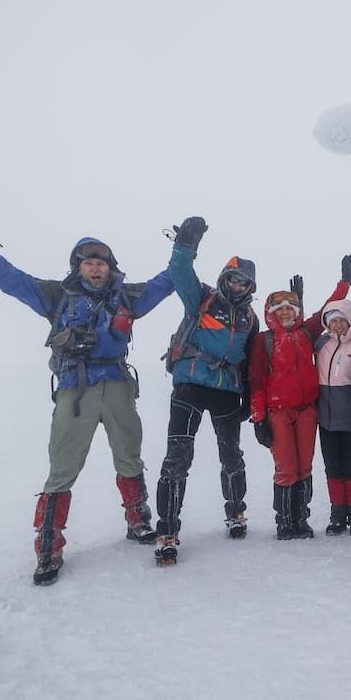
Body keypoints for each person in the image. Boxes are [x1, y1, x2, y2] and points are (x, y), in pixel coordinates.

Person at [0, 191, 174, 586]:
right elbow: (7, 278)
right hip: (75, 389)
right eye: (89, 263)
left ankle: (138, 521)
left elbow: (166, 282)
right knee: (62, 469)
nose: (95, 268)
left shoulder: (127, 296)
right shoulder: (56, 295)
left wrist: (184, 249)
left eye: (101, 263)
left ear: (110, 268)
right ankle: (48, 547)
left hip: (118, 385)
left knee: (129, 457)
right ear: (78, 267)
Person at [153, 217, 258, 566]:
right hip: (190, 385)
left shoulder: (250, 318)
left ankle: (236, 512)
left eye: (244, 282)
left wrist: (249, 397)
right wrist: (185, 245)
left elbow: (251, 361)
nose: (237, 285)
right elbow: (179, 272)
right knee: (178, 458)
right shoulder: (202, 298)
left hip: (227, 389)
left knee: (232, 455)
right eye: (233, 278)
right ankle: (167, 531)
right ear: (224, 278)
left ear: (250, 286)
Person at [248, 262, 351, 540]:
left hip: (307, 411)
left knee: (305, 466)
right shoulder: (264, 340)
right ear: (270, 312)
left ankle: (301, 519)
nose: (285, 312)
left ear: (297, 312)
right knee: (286, 468)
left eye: (290, 308)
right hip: (278, 412)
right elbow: (256, 380)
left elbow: (327, 310)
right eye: (279, 308)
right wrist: (259, 418)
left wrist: (345, 283)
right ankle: (285, 521)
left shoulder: (306, 332)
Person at [315, 292, 351, 535]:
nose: (337, 325)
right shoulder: (320, 345)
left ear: (350, 322)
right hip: (327, 420)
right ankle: (337, 514)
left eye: (342, 320)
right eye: (333, 320)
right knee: (333, 469)